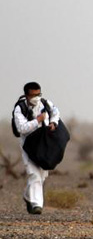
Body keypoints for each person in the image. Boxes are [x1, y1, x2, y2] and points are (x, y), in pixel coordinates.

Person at [12, 82, 61, 214]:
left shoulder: (45, 103)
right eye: (33, 95)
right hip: (28, 143)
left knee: (43, 174)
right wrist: (37, 120)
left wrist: (53, 122)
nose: (36, 97)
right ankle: (36, 205)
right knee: (34, 173)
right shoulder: (20, 108)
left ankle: (28, 196)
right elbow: (21, 128)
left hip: (44, 142)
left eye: (38, 94)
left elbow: (55, 112)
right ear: (27, 95)